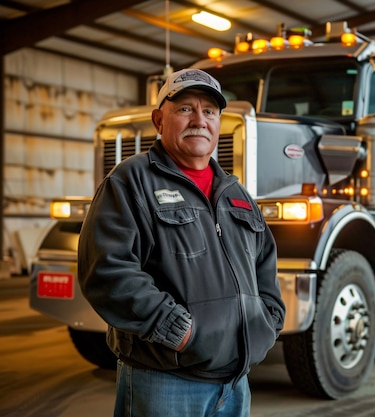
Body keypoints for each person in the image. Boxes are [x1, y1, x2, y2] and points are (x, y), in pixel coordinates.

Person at [77, 68, 286, 417]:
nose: (199, 120)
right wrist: (179, 331)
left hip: (236, 384)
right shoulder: (130, 182)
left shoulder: (238, 195)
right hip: (164, 381)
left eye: (210, 111)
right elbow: (107, 271)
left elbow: (265, 271)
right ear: (159, 119)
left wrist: (265, 325)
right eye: (185, 109)